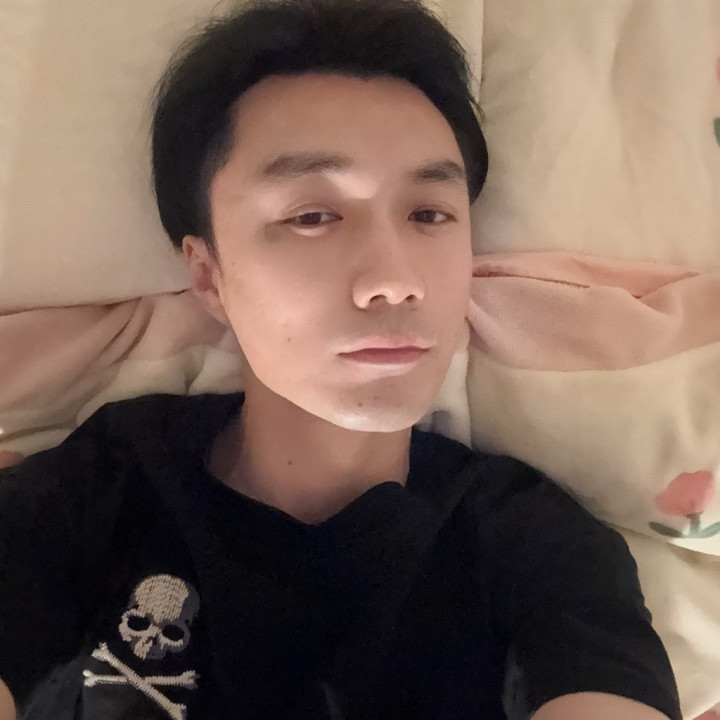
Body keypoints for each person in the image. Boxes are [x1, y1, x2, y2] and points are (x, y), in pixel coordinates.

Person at [0, 0, 683, 718]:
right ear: (208, 276)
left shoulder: (534, 550)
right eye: (312, 216)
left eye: (429, 214)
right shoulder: (96, 494)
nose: (395, 278)